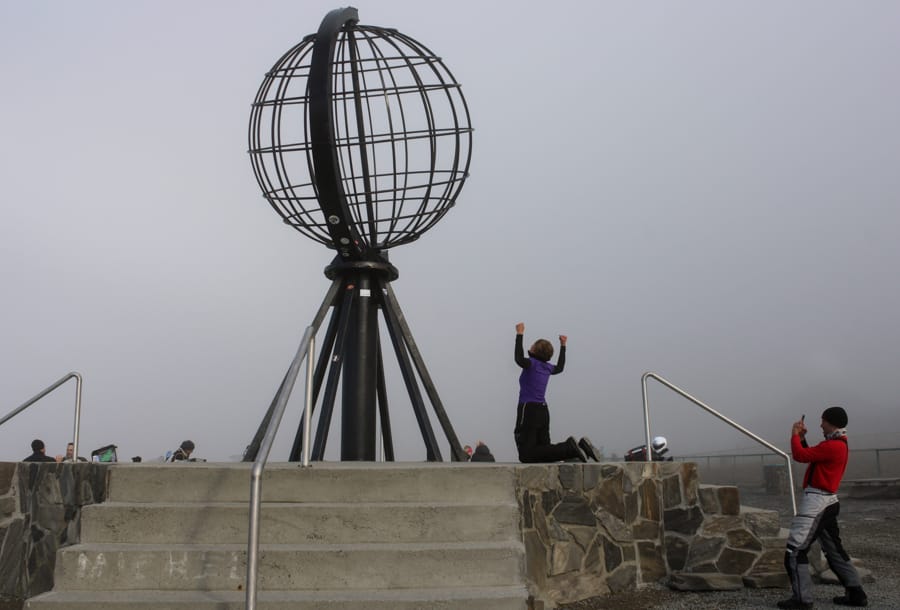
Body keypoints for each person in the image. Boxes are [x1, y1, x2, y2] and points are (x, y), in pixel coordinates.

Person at [778, 406, 869, 609]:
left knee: (795, 550)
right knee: (834, 550)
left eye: (823, 421)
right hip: (828, 501)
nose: (821, 424)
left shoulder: (833, 446)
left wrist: (794, 435)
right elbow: (811, 454)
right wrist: (802, 439)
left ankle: (803, 599)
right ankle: (856, 593)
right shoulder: (838, 444)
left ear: (831, 422)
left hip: (817, 502)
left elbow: (801, 456)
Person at [513, 322, 601, 463]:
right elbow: (560, 367)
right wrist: (563, 346)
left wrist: (519, 333)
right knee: (544, 452)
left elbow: (518, 358)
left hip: (529, 409)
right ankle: (580, 447)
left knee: (526, 454)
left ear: (534, 350)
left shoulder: (531, 364)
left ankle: (570, 448)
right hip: (543, 411)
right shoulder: (548, 368)